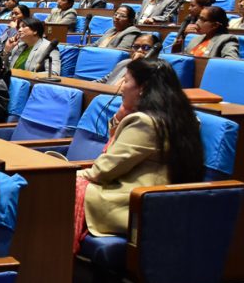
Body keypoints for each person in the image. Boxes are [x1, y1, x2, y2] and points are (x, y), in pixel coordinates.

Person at [75, 60, 203, 248]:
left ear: (142, 88)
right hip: (159, 202)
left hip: (129, 205)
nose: (121, 88)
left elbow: (102, 171)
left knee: (55, 188)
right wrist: (121, 116)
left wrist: (69, 175)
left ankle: (51, 265)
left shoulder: (145, 123)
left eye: (125, 81)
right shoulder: (182, 117)